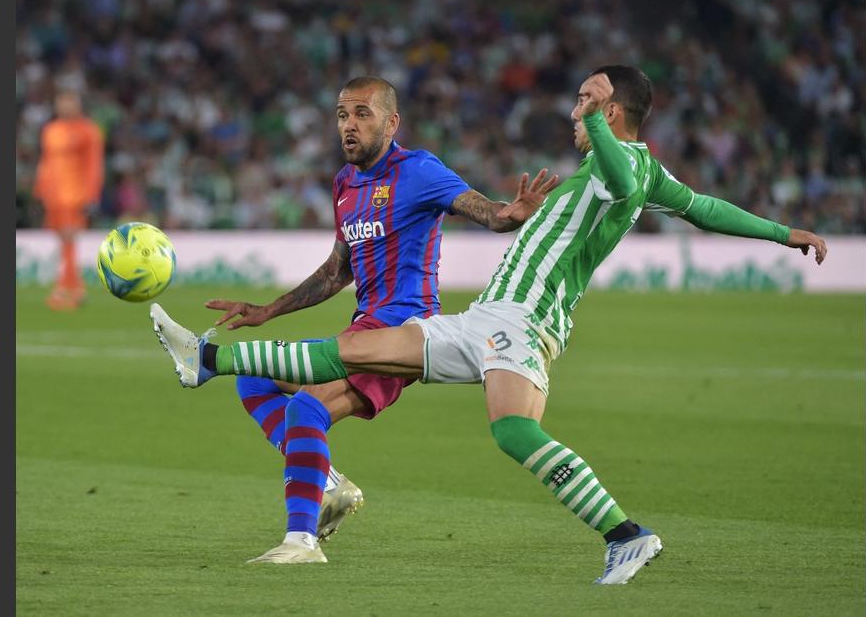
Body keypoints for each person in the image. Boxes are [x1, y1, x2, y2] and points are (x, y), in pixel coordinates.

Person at [151, 66, 827, 583]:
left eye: (587, 99)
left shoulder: (628, 169)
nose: (576, 109)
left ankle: (626, 532)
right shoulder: (604, 166)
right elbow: (707, 208)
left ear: (613, 109)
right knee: (364, 356)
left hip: (523, 321)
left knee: (508, 427)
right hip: (484, 317)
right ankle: (206, 362)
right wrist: (783, 231)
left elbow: (627, 179)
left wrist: (594, 129)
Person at [199, 76, 558, 564]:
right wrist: (267, 311)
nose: (349, 125)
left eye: (362, 114)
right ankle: (325, 481)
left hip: (404, 331)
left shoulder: (419, 171)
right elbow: (335, 271)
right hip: (363, 328)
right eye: (343, 114)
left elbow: (487, 213)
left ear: (392, 122)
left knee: (307, 407)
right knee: (253, 377)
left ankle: (300, 541)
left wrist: (512, 214)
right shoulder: (345, 183)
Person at [33, 89, 104, 310]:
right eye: (61, 102)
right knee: (63, 241)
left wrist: (92, 195)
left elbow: (94, 165)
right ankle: (71, 287)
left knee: (70, 239)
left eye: (69, 102)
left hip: (75, 193)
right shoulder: (50, 130)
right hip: (53, 194)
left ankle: (69, 289)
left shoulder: (89, 131)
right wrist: (41, 189)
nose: (64, 106)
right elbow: (46, 161)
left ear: (78, 104)